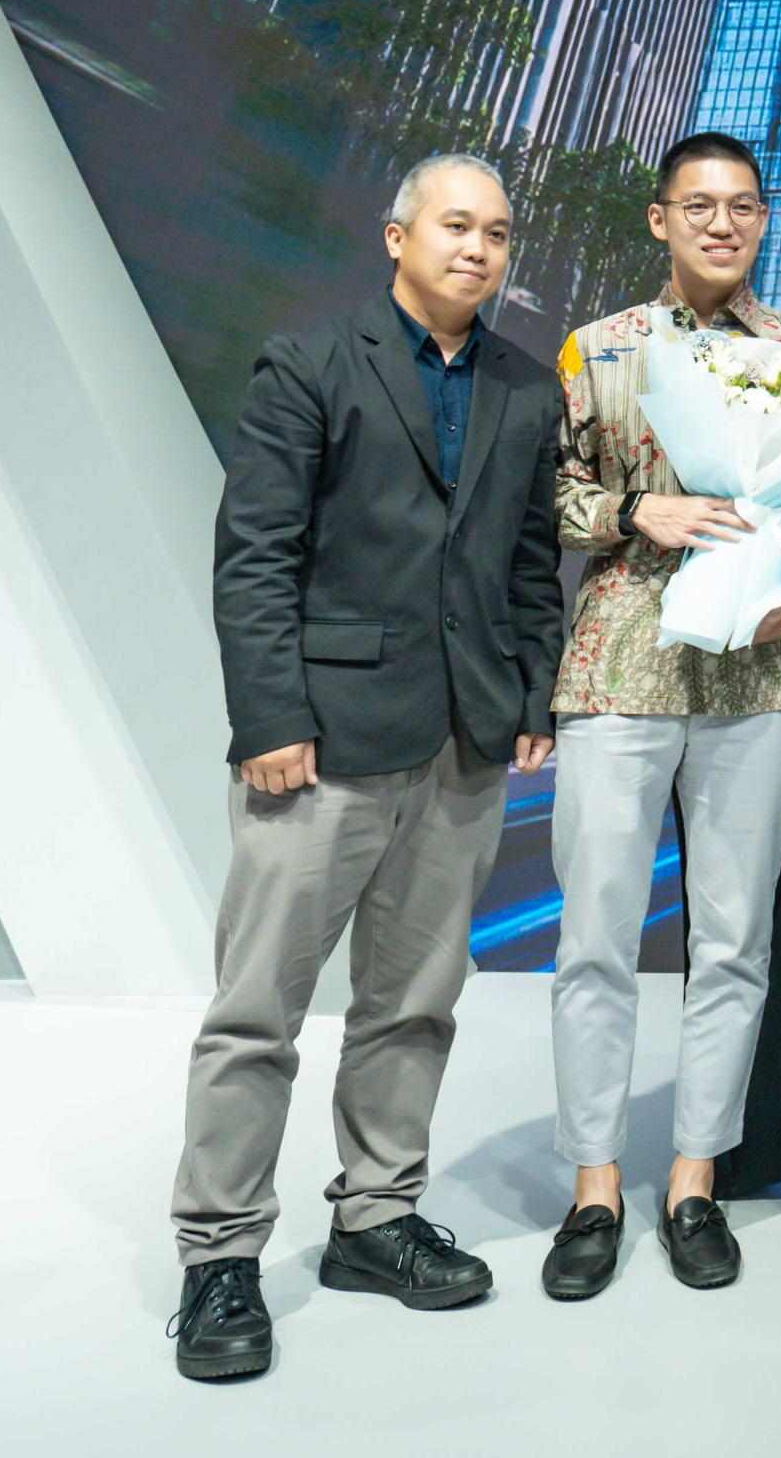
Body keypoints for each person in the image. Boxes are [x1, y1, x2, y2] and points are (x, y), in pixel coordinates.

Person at [167, 152, 565, 1385]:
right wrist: (271, 714)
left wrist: (530, 691)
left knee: (414, 1001)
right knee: (258, 1011)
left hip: (461, 743)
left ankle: (375, 1218)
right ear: (396, 234)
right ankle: (219, 1255)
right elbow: (253, 555)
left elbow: (533, 561)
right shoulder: (311, 360)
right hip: (322, 741)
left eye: (498, 233)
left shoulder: (520, 385)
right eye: (457, 225)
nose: (479, 248)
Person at [536, 130, 781, 1302]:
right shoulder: (598, 347)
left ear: (765, 221)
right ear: (658, 218)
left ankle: (695, 1178)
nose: (722, 223)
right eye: (698, 205)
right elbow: (548, 492)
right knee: (597, 938)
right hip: (619, 664)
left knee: (732, 942)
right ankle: (593, 1184)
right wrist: (634, 508)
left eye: (743, 206)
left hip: (756, 681)